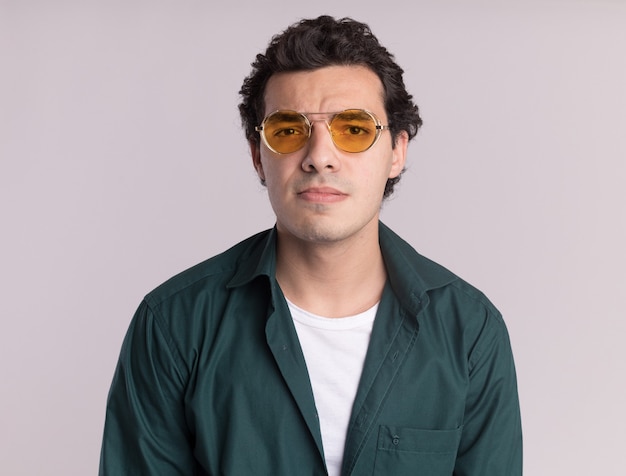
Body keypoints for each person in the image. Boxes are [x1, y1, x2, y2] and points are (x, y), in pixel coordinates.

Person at [99, 15, 522, 475]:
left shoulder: (470, 332)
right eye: (288, 130)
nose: (320, 156)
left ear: (397, 152)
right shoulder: (174, 325)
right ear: (258, 155)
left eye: (354, 129)